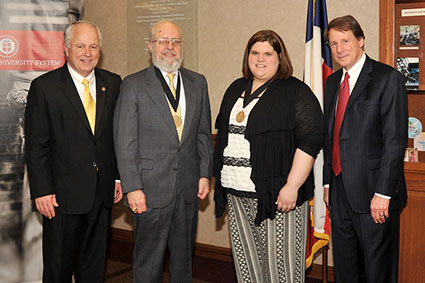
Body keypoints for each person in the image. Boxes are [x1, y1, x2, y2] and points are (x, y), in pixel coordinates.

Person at [213, 30, 324, 283]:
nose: (260, 59)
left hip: (278, 196)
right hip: (237, 193)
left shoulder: (295, 91)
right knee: (247, 268)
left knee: (281, 272)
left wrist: (292, 186)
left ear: (279, 57)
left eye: (267, 53)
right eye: (255, 52)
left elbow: (311, 140)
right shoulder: (235, 88)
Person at [113, 20, 213, 283]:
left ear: (182, 46)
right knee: (148, 262)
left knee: (183, 261)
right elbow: (125, 141)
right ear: (150, 46)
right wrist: (133, 187)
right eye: (163, 41)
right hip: (149, 190)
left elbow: (203, 134)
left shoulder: (198, 83)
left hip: (188, 188)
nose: (170, 47)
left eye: (175, 41)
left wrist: (204, 174)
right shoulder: (133, 85)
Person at [25, 21, 123, 282]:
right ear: (66, 48)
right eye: (80, 46)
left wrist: (116, 177)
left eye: (93, 46)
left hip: (101, 194)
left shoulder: (113, 84)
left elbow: (116, 137)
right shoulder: (44, 87)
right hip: (61, 197)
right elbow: (36, 145)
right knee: (58, 268)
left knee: (93, 268)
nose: (87, 53)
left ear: (100, 50)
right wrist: (42, 189)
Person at [322, 15, 408, 283]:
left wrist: (383, 193)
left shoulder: (387, 78)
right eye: (333, 44)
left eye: (345, 41)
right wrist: (327, 184)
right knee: (346, 269)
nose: (339, 49)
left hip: (374, 195)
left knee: (377, 271)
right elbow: (331, 136)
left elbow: (395, 140)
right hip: (338, 191)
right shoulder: (332, 83)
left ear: (360, 40)